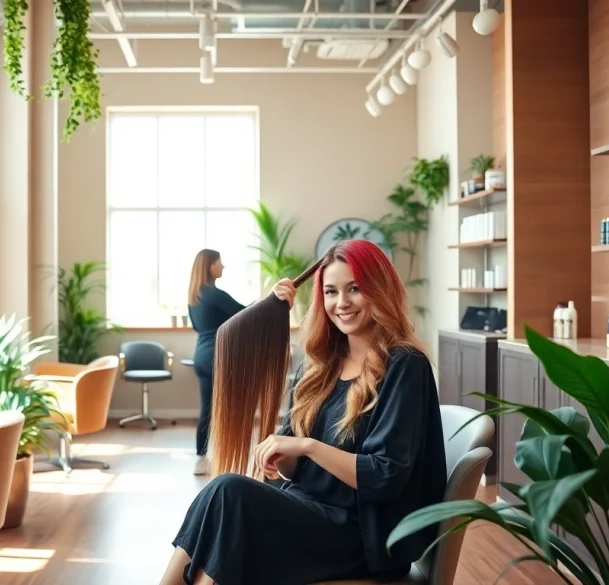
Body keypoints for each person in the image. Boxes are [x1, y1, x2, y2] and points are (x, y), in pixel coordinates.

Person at [161, 239, 447, 585]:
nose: (341, 303)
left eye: (354, 289)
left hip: (363, 537)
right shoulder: (319, 368)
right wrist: (281, 455)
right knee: (220, 500)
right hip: (310, 512)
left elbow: (386, 476)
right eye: (330, 292)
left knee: (228, 493)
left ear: (379, 289)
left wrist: (306, 446)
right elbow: (295, 469)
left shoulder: (405, 365)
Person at [186, 249, 247, 476]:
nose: (223, 266)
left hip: (201, 356)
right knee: (227, 409)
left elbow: (196, 327)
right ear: (210, 265)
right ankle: (229, 458)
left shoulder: (194, 296)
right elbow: (245, 312)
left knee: (208, 409)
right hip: (219, 357)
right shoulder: (214, 294)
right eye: (220, 262)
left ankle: (202, 459)